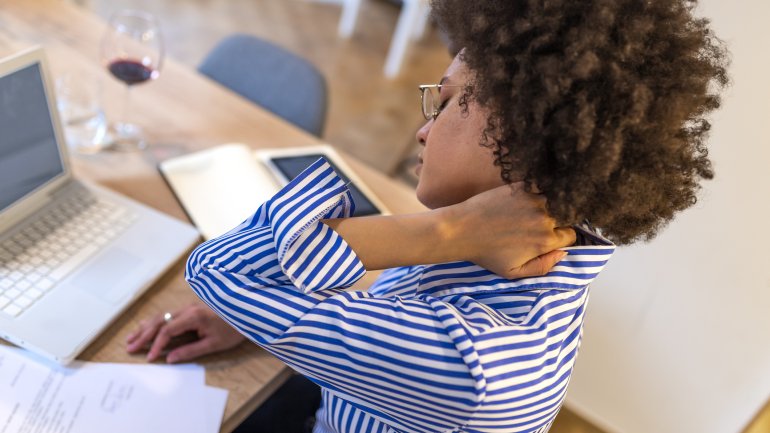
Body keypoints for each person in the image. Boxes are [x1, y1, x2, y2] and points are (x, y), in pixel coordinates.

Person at [126, 0, 729, 432]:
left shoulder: (482, 366)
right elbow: (366, 303)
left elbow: (220, 272)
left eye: (444, 104)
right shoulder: (499, 256)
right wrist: (268, 321)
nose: (421, 129)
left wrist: (446, 229)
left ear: (522, 136)